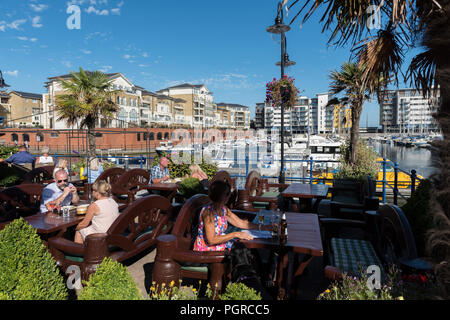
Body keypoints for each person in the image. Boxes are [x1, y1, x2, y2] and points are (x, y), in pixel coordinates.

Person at [194, 180, 271, 252]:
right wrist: (235, 234)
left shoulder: (223, 209)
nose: (230, 196)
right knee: (245, 251)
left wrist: (263, 227)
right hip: (206, 250)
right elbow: (211, 240)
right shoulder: (208, 213)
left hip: (218, 245)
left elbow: (241, 223)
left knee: (250, 250)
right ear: (220, 195)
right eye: (227, 193)